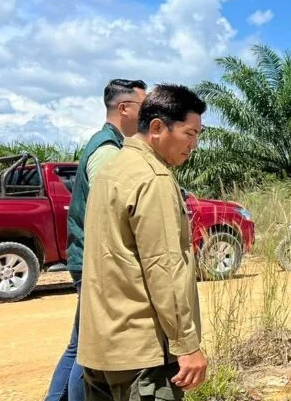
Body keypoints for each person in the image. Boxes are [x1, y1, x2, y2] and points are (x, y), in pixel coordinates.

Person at [77, 84, 208, 400]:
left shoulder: (112, 170)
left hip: (101, 349)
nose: (194, 145)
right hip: (142, 354)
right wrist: (186, 345)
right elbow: (164, 267)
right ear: (158, 127)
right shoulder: (154, 178)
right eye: (190, 134)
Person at [45, 78, 146, 401]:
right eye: (144, 108)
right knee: (89, 351)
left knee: (79, 346)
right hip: (96, 263)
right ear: (125, 108)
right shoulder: (106, 150)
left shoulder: (109, 144)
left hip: (89, 260)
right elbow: (111, 210)